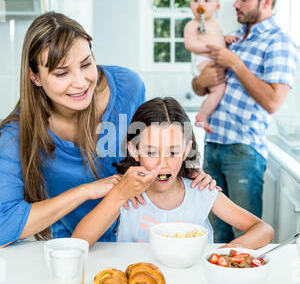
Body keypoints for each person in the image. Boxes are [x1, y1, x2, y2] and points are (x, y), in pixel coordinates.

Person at [0, 12, 217, 247]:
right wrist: (84, 191)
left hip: (135, 242)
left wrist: (187, 170)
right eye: (62, 73)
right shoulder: (17, 134)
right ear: (35, 77)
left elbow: (154, 141)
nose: (81, 82)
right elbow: (3, 225)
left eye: (86, 64)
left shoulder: (127, 87)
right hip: (79, 248)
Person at [73, 97, 273, 248]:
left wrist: (226, 251)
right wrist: (118, 195)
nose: (163, 164)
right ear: (134, 150)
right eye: (151, 152)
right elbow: (78, 243)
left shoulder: (200, 190)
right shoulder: (124, 194)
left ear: (186, 150)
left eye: (173, 152)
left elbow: (263, 230)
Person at [191, 0, 299, 243]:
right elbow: (200, 87)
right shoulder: (234, 38)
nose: (236, 5)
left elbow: (274, 102)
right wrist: (202, 79)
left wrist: (235, 64)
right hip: (214, 147)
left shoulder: (280, 43)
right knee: (215, 234)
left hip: (243, 152)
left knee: (246, 236)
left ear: (266, 2)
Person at [184, 0, 238, 133]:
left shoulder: (215, 23)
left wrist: (224, 38)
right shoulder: (192, 24)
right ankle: (202, 115)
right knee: (218, 88)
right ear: (190, 5)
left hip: (213, 60)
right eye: (196, 0)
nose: (200, 4)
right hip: (203, 61)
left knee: (221, 85)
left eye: (206, 1)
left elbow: (217, 38)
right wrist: (210, 46)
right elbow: (190, 44)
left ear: (217, 7)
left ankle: (204, 115)